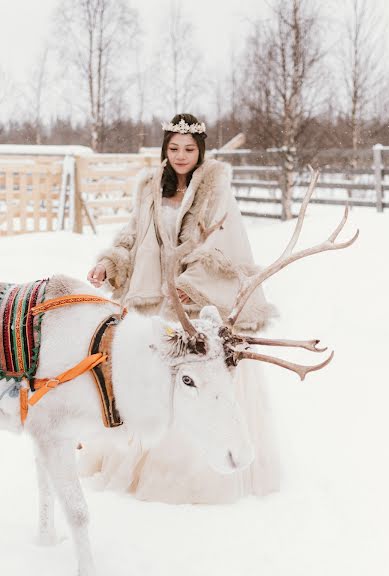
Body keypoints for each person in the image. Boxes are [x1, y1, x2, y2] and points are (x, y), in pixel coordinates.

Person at [84, 113, 280, 503]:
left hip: (195, 306)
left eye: (189, 149)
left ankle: (197, 476)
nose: (180, 155)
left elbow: (223, 246)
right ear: (165, 149)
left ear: (200, 150)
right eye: (173, 148)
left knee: (199, 388)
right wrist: (110, 263)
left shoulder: (215, 191)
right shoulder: (151, 187)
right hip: (157, 306)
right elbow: (134, 236)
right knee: (157, 387)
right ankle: (147, 469)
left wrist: (193, 286)